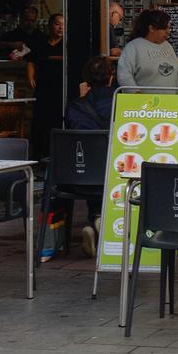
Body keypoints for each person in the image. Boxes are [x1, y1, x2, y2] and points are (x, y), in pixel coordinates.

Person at [64, 55, 114, 257]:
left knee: (90, 163)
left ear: (86, 80)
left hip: (76, 177)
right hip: (112, 175)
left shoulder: (74, 107)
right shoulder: (120, 104)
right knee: (107, 164)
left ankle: (95, 221)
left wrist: (82, 97)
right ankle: (102, 221)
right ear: (110, 78)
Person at [27, 14, 65, 162]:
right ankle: (37, 156)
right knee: (39, 121)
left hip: (59, 87)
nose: (61, 28)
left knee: (55, 121)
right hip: (42, 87)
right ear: (50, 25)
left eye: (63, 25)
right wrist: (30, 77)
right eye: (57, 24)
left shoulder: (67, 44)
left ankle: (54, 156)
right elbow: (31, 61)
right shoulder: (41, 42)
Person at [117, 8, 178, 88]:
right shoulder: (133, 47)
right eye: (164, 28)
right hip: (145, 99)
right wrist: (135, 94)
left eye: (169, 28)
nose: (168, 31)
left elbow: (176, 74)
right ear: (151, 28)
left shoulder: (167, 46)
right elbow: (124, 75)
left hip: (171, 99)